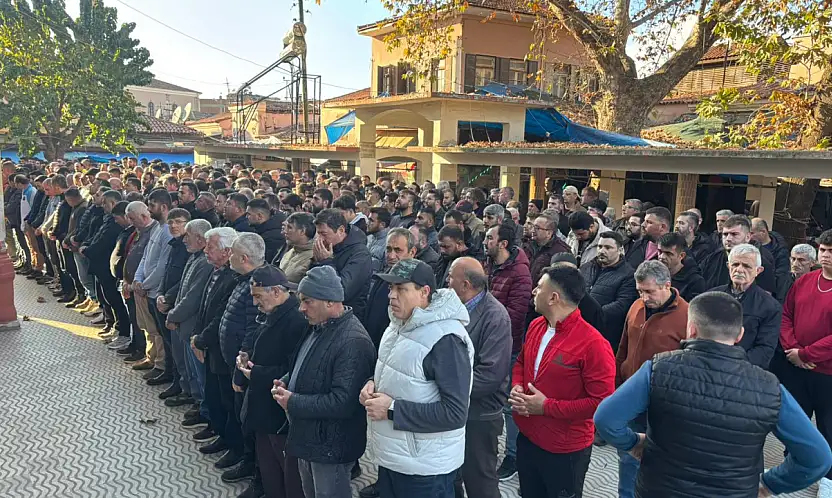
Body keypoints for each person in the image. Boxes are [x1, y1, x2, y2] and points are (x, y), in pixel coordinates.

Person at [595, 292, 832, 498]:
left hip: (659, 489)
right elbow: (817, 457)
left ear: (691, 328)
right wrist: (771, 484)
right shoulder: (769, 387)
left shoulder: (658, 368)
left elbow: (606, 418)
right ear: (739, 335)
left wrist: (633, 443)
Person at [361, 259, 474, 498]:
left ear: (424, 292)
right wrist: (372, 383)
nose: (391, 295)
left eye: (401, 289)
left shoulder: (446, 340)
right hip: (394, 457)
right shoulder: (398, 324)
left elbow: (455, 413)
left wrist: (391, 409)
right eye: (391, 288)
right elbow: (402, 371)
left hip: (425, 470)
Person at [509, 263, 615, 498]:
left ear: (553, 298)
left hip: (565, 449)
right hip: (528, 436)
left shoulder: (593, 344)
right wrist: (517, 385)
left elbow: (601, 403)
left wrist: (546, 407)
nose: (533, 291)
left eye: (539, 287)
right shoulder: (536, 325)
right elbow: (522, 362)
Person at [273, 266, 376, 498]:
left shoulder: (353, 342)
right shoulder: (319, 326)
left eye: (307, 301)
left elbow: (343, 403)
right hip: (310, 438)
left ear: (330, 302)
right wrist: (287, 381)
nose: (301, 308)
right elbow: (308, 363)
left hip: (331, 447)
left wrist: (293, 401)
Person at [615, 260, 689, 498]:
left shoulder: (687, 315)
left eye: (649, 291)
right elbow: (623, 347)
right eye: (640, 291)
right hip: (632, 395)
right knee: (628, 457)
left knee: (663, 461)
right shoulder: (635, 307)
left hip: (665, 402)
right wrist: (617, 381)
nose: (644, 297)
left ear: (667, 285)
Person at [236, 265, 308, 498]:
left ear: (276, 291)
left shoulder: (296, 320)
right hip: (262, 407)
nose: (255, 303)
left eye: (258, 296)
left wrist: (256, 373)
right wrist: (248, 357)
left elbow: (294, 369)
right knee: (268, 468)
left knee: (286, 474)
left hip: (278, 413)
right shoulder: (273, 311)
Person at [447, 257, 512, 498]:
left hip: (479, 414)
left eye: (451, 277)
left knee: (479, 479)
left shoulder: (495, 316)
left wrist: (446, 387)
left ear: (465, 285)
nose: (446, 281)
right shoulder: (453, 307)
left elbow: (489, 376)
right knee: (451, 475)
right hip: (455, 408)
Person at [776, 229, 832, 497]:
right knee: (794, 423)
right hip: (796, 367)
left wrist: (807, 354)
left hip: (828, 373)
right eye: (823, 250)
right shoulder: (805, 280)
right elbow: (786, 315)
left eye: (831, 251)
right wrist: (793, 350)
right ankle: (790, 469)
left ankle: (829, 480)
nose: (826, 255)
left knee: (829, 427)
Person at [218, 232, 265, 478]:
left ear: (244, 258)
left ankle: (249, 461)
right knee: (233, 409)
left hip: (243, 366)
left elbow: (251, 331)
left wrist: (239, 370)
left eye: (233, 254)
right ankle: (237, 449)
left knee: (245, 417)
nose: (229, 258)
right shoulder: (242, 280)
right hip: (231, 360)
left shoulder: (255, 286)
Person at [191, 228, 241, 459]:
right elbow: (205, 308)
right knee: (214, 394)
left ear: (227, 251)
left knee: (226, 400)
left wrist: (202, 339)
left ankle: (233, 445)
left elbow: (221, 316)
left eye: (211, 247)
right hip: (210, 345)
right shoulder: (216, 271)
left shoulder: (232, 278)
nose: (206, 250)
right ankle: (219, 432)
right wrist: (198, 336)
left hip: (222, 349)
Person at [163, 219, 215, 414]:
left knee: (198, 372)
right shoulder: (194, 257)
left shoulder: (205, 263)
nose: (184, 240)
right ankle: (194, 398)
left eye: (188, 236)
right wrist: (169, 300)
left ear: (200, 239)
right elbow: (183, 287)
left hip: (191, 325)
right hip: (183, 324)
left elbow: (193, 297)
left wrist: (173, 315)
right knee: (188, 368)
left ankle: (203, 409)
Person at [711, 244, 781, 369]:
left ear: (758, 271)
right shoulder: (711, 297)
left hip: (743, 370)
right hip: (709, 365)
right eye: (735, 264)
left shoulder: (770, 306)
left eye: (746, 266)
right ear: (728, 266)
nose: (739, 269)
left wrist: (733, 365)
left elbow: (765, 349)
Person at [580, 231, 637, 352]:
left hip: (606, 333)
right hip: (580, 327)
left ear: (620, 250)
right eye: (599, 246)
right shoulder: (586, 267)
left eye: (608, 247)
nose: (602, 251)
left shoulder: (628, 274)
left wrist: (594, 314)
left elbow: (622, 304)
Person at [311, 208, 373, 318]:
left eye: (324, 234)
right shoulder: (328, 247)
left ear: (341, 230)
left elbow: (342, 291)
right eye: (318, 234)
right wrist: (315, 261)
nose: (320, 239)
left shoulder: (360, 254)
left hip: (347, 316)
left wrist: (326, 262)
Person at [484, 224, 533, 359]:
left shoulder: (520, 272)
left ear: (503, 244)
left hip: (504, 344)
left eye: (489, 238)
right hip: (487, 338)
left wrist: (487, 327)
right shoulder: (489, 263)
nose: (484, 242)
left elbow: (515, 315)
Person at [363, 228, 417, 349]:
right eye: (388, 249)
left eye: (398, 250)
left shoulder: (416, 284)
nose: (391, 256)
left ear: (412, 252)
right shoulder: (384, 276)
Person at [700, 214, 777, 294]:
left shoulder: (761, 261)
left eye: (734, 234)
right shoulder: (711, 259)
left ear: (748, 237)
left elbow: (765, 295)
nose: (728, 239)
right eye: (725, 234)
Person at [523, 212, 571, 291]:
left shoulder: (560, 251)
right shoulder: (527, 245)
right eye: (533, 226)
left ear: (549, 233)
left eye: (537, 228)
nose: (532, 230)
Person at [656, 232, 707, 302]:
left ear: (681, 256)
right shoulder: (652, 274)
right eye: (660, 252)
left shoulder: (695, 281)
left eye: (668, 254)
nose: (662, 257)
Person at [751, 217, 791, 298]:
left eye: (752, 233)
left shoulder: (781, 251)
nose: (749, 236)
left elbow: (781, 276)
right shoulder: (749, 246)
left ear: (763, 232)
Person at [277, 212, 315, 287]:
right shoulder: (290, 250)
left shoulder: (314, 257)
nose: (285, 231)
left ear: (302, 231)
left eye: (290, 227)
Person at [246, 198, 286, 264]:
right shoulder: (263, 230)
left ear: (259, 216)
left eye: (248, 214)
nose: (246, 217)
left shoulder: (272, 237)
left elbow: (266, 262)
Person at [367, 207, 391, 272]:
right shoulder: (368, 238)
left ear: (382, 224)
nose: (367, 223)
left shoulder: (390, 243)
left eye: (371, 221)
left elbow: (386, 271)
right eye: (368, 219)